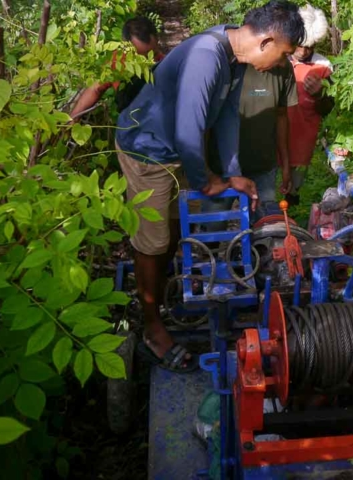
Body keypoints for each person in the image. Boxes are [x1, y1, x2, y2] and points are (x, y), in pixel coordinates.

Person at [115, 1, 305, 372]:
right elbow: (189, 130)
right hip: (149, 152)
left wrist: (232, 172)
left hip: (178, 154)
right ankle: (152, 327)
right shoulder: (207, 55)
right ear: (266, 41)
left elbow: (226, 118)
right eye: (283, 55)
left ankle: (162, 294)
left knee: (172, 232)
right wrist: (207, 182)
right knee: (151, 242)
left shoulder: (233, 55)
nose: (281, 65)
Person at [202, 57, 298, 227]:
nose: (286, 57)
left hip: (263, 167)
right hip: (222, 169)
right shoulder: (229, 65)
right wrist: (206, 169)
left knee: (265, 230)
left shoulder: (283, 68)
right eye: (284, 50)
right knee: (212, 229)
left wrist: (285, 165)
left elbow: (282, 116)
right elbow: (207, 121)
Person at [285, 4, 335, 206]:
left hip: (305, 135)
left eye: (310, 46)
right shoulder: (278, 60)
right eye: (301, 45)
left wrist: (320, 94)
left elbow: (330, 109)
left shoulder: (323, 66)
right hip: (276, 134)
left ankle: (293, 209)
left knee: (294, 188)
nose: (304, 51)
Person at [70, 17, 165, 120]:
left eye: (153, 54)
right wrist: (72, 119)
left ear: (157, 41)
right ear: (126, 48)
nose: (148, 61)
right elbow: (95, 89)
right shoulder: (117, 63)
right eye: (140, 58)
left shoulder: (166, 65)